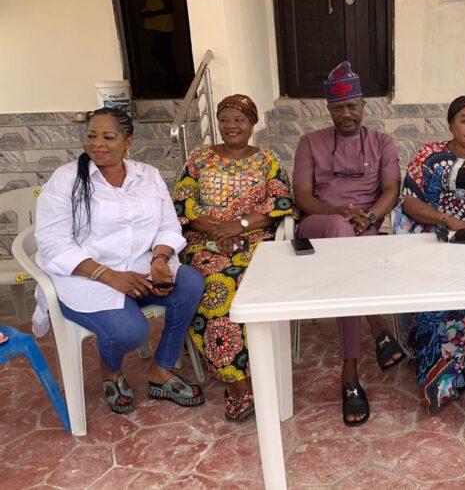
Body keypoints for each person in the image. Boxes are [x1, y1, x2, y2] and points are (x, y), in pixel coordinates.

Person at [35, 107, 206, 414]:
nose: (97, 144)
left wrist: (160, 259)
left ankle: (161, 368)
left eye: (108, 137)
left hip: (141, 271)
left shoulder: (147, 175)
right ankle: (110, 370)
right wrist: (108, 275)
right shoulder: (66, 179)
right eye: (91, 136)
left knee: (191, 283)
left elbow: (168, 224)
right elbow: (52, 243)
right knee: (131, 332)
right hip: (84, 279)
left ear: (128, 141)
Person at [292, 61, 405, 427]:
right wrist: (339, 212)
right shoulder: (310, 143)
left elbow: (391, 190)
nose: (346, 114)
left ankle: (356, 365)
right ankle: (357, 361)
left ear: (363, 106)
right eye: (338, 107)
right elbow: (303, 197)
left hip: (366, 228)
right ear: (329, 109)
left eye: (352, 105)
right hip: (319, 225)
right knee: (342, 231)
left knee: (352, 249)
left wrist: (370, 217)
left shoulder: (382, 142)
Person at [172, 94, 294, 421]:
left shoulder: (267, 160)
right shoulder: (198, 159)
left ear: (253, 123)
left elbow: (281, 205)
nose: (231, 126)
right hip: (205, 241)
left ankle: (256, 371)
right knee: (215, 290)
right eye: (224, 119)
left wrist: (236, 226)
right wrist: (216, 231)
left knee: (247, 285)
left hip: (254, 241)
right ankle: (238, 385)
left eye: (239, 119)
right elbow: (182, 203)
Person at [394, 95, 465, 412]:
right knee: (438, 301)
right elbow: (411, 201)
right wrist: (448, 222)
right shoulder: (428, 154)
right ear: (451, 124)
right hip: (432, 237)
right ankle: (440, 381)